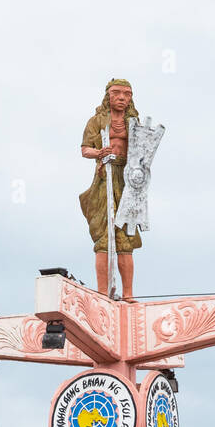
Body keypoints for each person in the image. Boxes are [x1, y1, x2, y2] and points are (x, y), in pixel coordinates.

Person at [79, 79, 143, 300]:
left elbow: (144, 149)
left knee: (125, 238)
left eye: (127, 94)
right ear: (108, 96)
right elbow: (84, 149)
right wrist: (99, 153)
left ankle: (127, 294)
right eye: (117, 93)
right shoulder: (96, 121)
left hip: (127, 179)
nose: (122, 98)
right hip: (105, 176)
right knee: (104, 237)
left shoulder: (133, 123)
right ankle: (101, 293)